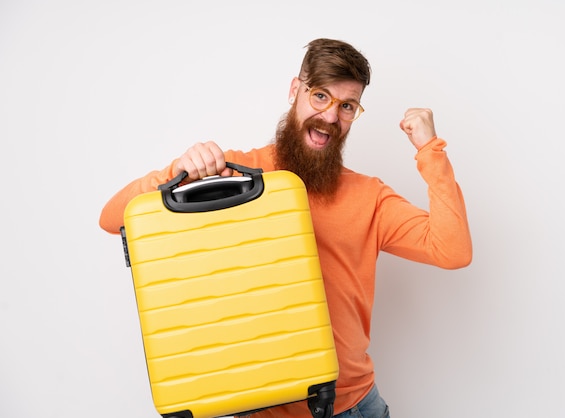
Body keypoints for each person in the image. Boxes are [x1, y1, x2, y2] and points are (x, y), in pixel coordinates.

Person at [99, 38, 472, 418]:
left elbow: (452, 249)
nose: (330, 116)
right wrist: (175, 170)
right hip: (255, 407)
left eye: (347, 106)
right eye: (321, 96)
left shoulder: (369, 197)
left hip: (349, 407)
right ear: (296, 90)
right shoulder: (233, 174)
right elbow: (112, 218)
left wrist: (430, 150)